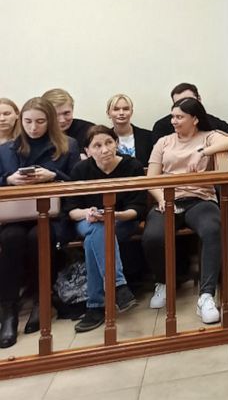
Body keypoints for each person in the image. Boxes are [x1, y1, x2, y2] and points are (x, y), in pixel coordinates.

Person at [142, 97, 228, 324]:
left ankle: (206, 295)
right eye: (173, 116)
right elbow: (151, 179)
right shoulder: (163, 142)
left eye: (179, 117)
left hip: (200, 199)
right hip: (167, 199)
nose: (173, 121)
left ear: (194, 119)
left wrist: (204, 151)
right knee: (152, 237)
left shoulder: (208, 136)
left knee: (212, 230)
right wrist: (161, 199)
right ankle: (164, 283)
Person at [0, 97, 81, 348]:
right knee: (10, 238)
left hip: (53, 215)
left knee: (39, 236)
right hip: (15, 213)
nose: (33, 127)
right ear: (20, 121)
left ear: (50, 122)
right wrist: (9, 180)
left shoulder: (67, 145)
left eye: (40, 122)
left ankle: (41, 299)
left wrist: (54, 175)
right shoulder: (7, 149)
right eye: (28, 121)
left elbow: (80, 183)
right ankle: (9, 311)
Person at [62, 126, 143, 332]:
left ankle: (95, 306)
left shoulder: (131, 165)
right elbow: (71, 210)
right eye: (97, 145)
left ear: (116, 143)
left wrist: (114, 215)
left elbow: (138, 208)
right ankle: (119, 287)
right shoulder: (80, 170)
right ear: (87, 151)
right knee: (97, 228)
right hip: (87, 219)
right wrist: (88, 213)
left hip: (121, 220)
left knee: (95, 236)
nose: (105, 149)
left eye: (109, 142)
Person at [150, 83, 228, 156]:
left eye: (189, 102)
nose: (184, 107)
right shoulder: (162, 126)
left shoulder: (213, 123)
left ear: (199, 100)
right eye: (178, 103)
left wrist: (220, 135)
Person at [106, 94, 156, 167]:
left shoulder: (148, 136)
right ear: (108, 113)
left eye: (126, 109)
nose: (121, 113)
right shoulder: (104, 139)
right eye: (116, 109)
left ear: (131, 112)